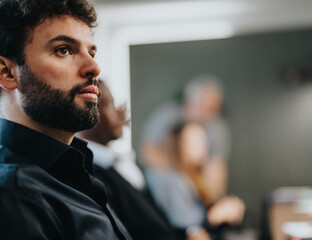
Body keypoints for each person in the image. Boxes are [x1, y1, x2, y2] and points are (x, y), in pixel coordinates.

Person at [0, 1, 131, 239]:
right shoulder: (14, 194)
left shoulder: (75, 169)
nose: (94, 67)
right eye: (64, 50)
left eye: (91, 52)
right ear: (7, 72)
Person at [77, 80, 179, 240]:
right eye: (110, 105)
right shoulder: (90, 172)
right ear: (87, 113)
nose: (121, 112)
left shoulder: (120, 162)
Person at [146, 122, 245, 240]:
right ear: (179, 146)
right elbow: (187, 229)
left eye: (204, 139)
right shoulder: (171, 181)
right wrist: (213, 217)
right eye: (196, 141)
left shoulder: (198, 178)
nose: (204, 145)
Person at [141, 74, 231, 203]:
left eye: (216, 109)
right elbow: (150, 152)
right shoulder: (165, 117)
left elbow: (218, 167)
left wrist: (213, 200)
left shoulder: (217, 128)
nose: (213, 114)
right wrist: (182, 184)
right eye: (208, 108)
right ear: (191, 102)